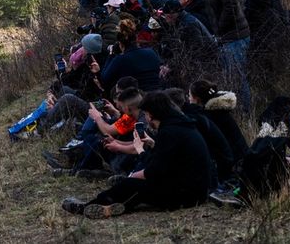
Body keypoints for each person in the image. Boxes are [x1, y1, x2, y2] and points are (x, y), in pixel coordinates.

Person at [61, 91, 212, 218]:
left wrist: (137, 167)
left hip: (186, 195)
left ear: (151, 114)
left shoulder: (169, 132)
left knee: (131, 185)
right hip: (196, 189)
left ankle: (88, 206)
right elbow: (168, 162)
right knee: (136, 188)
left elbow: (154, 172)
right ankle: (115, 206)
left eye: (146, 114)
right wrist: (152, 146)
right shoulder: (182, 125)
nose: (146, 118)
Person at [164, 0, 252, 112]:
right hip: (229, 36)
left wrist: (218, 29)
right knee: (234, 76)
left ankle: (245, 113)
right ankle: (240, 110)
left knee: (237, 77)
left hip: (234, 36)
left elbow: (231, 7)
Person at [96, 18, 163, 93]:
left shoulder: (120, 59)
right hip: (158, 94)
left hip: (137, 99)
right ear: (136, 38)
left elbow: (104, 80)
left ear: (120, 43)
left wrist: (111, 54)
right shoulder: (151, 52)